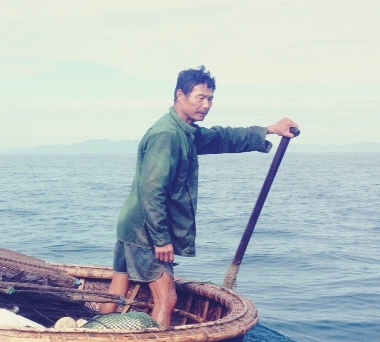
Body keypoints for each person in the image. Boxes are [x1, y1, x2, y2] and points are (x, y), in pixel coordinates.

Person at [101, 66, 299, 328]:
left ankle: (97, 328)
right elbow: (153, 191)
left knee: (119, 283)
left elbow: (222, 138)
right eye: (200, 98)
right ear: (180, 95)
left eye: (210, 99)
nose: (206, 105)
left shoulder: (184, 131)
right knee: (167, 299)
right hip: (145, 232)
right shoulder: (167, 135)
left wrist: (271, 129)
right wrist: (161, 240)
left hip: (131, 223)